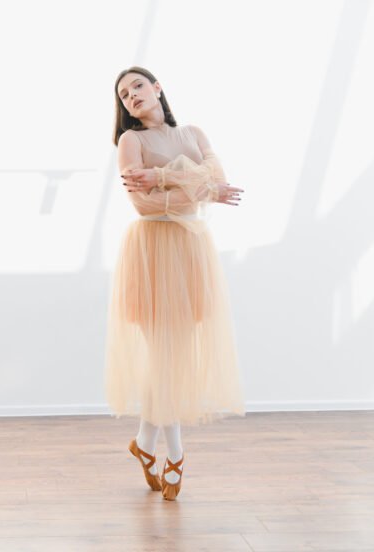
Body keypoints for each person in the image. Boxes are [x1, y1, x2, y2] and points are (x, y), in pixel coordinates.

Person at [104, 66, 246, 501]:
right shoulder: (131, 142)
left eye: (138, 86)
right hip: (152, 251)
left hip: (189, 250)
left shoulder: (194, 133)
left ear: (157, 88)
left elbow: (217, 180)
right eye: (124, 94)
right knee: (164, 356)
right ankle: (176, 455)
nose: (132, 96)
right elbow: (144, 205)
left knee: (173, 355)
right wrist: (198, 186)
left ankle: (144, 444)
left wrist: (163, 178)